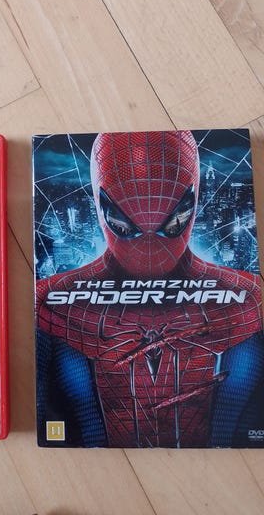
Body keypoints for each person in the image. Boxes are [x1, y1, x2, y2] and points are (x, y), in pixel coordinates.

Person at [36, 130, 264, 448]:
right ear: (100, 205)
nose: (148, 247)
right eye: (124, 225)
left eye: (172, 223)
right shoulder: (52, 301)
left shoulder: (247, 298)